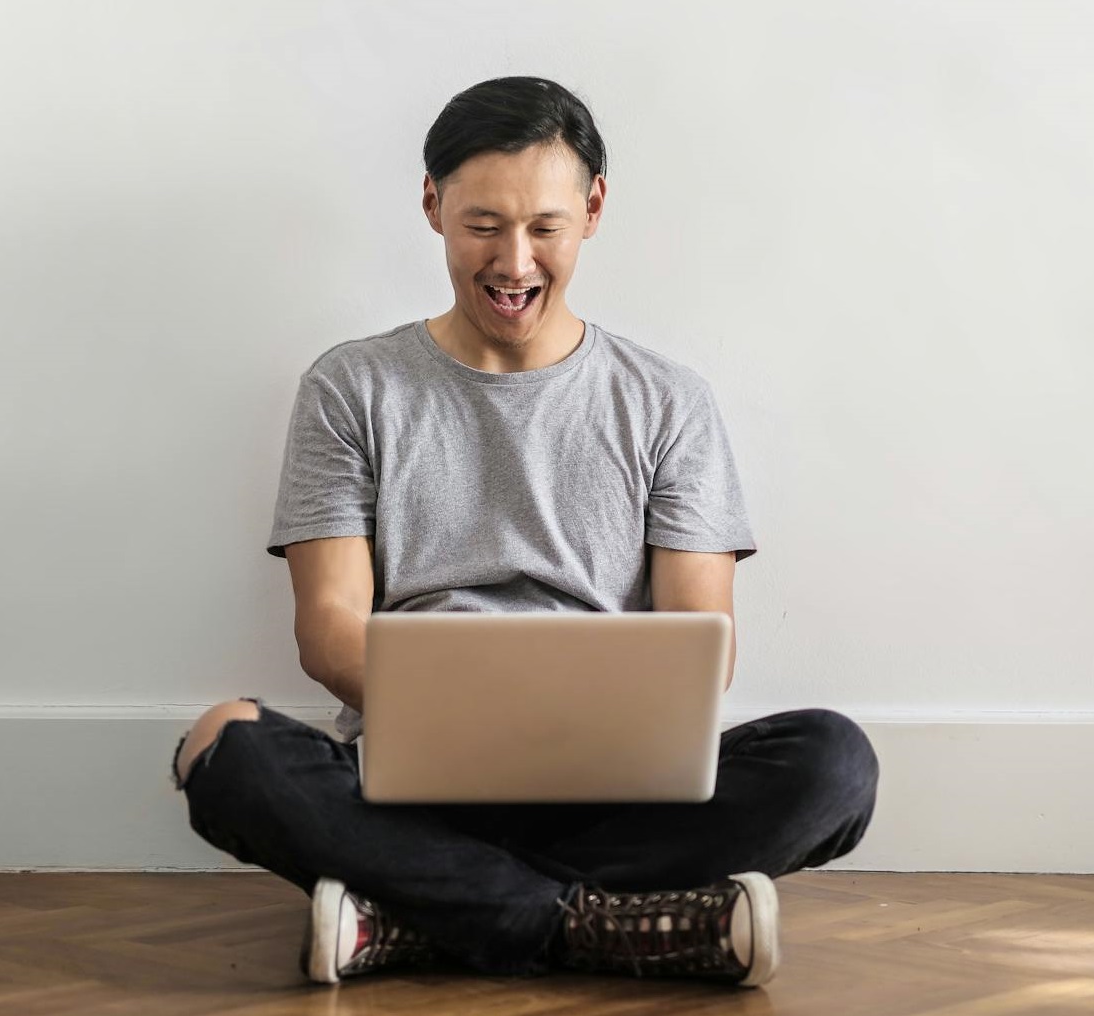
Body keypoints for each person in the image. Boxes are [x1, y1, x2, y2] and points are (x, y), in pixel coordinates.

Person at [170, 76, 880, 989]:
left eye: (545, 228)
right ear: (431, 205)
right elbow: (328, 628)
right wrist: (463, 711)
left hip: (615, 788)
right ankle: (616, 925)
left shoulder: (668, 402)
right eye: (482, 226)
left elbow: (702, 640)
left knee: (833, 763)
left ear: (591, 211)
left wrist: (577, 721)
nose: (513, 264)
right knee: (222, 746)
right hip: (412, 779)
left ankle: (420, 916)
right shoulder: (351, 388)